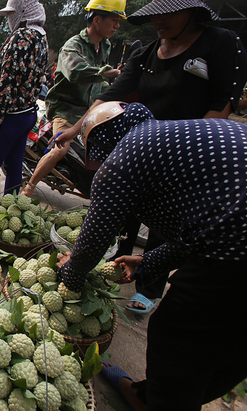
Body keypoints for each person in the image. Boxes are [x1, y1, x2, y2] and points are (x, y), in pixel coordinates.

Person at [56, 0, 247, 313]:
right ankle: (130, 265)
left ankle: (149, 286)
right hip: (140, 139)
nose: (159, 21)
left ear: (193, 11)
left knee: (176, 220)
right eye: (155, 13)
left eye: (168, 14)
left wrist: (72, 271)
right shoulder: (145, 53)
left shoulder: (221, 43)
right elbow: (110, 96)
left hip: (194, 155)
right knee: (130, 215)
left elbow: (221, 105)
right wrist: (75, 130)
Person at [56, 101, 247, 411]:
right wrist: (150, 261)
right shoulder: (166, 137)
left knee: (176, 335)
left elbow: (94, 238)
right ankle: (154, 398)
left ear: (102, 141)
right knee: (232, 346)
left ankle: (166, 401)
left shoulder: (124, 156)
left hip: (236, 251)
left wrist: (71, 274)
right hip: (233, 238)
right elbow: (204, 226)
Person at [22, 0, 126, 197]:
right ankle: (30, 187)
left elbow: (100, 85)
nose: (117, 26)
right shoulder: (73, 46)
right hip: (66, 109)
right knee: (61, 148)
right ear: (97, 20)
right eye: (113, 20)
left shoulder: (104, 46)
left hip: (91, 110)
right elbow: (75, 71)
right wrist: (107, 73)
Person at [0, 0, 49, 205]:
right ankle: (11, 210)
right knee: (13, 166)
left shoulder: (21, 37)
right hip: (27, 113)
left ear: (22, 12)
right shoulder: (42, 38)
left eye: (11, 14)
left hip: (11, 116)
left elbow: (6, 87)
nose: (9, 19)